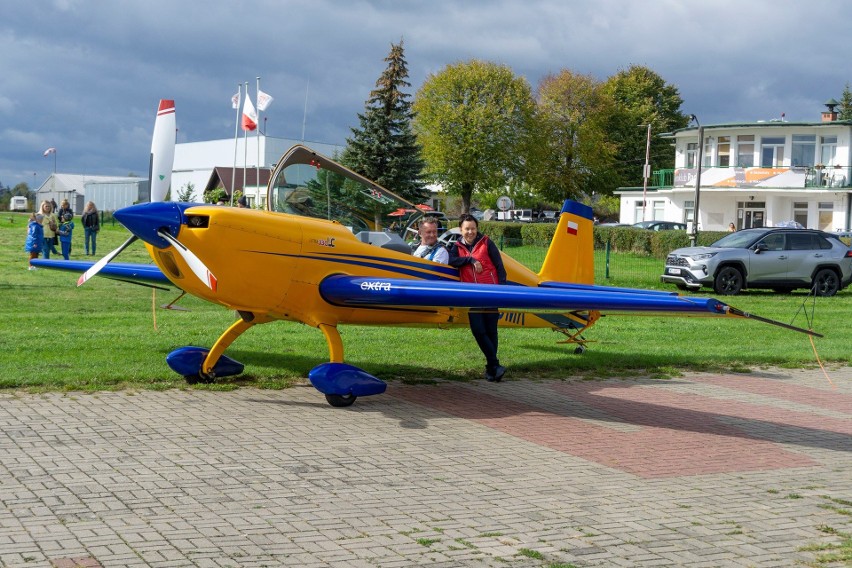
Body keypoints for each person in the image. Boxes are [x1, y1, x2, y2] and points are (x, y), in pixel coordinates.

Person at [448, 214, 507, 382]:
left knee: (491, 331)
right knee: (478, 331)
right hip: (472, 295)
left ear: (477, 228)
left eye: (473, 228)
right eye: (467, 229)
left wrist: (502, 291)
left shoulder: (487, 243)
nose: (470, 232)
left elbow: (499, 267)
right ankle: (494, 365)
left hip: (491, 293)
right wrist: (470, 260)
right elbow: (451, 260)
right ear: (461, 229)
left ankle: (492, 370)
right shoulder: (457, 246)